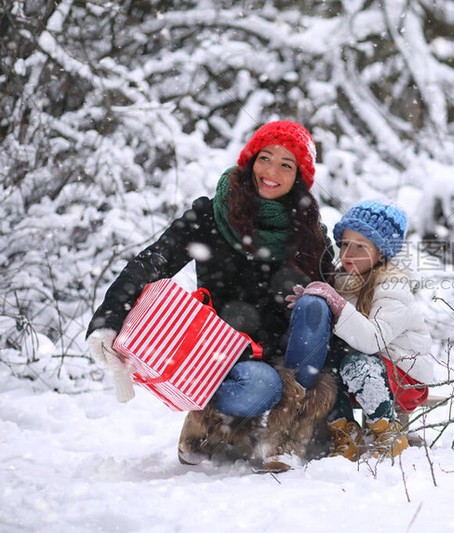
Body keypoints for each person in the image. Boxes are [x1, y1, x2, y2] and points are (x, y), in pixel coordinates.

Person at [86, 120, 337, 469]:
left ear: (299, 177)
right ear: (250, 160)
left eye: (286, 164)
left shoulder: (309, 232)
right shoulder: (213, 215)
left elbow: (335, 311)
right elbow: (155, 260)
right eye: (266, 158)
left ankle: (290, 433)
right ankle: (207, 419)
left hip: (286, 356)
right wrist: (109, 318)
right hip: (221, 355)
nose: (272, 172)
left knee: (317, 304)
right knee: (262, 387)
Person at [287, 200, 438, 460]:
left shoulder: (393, 287)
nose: (348, 254)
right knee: (324, 365)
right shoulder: (345, 281)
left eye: (360, 246)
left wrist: (335, 302)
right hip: (369, 371)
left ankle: (387, 431)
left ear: (381, 253)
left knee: (357, 362)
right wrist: (314, 305)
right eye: (345, 244)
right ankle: (346, 434)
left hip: (404, 380)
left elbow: (371, 340)